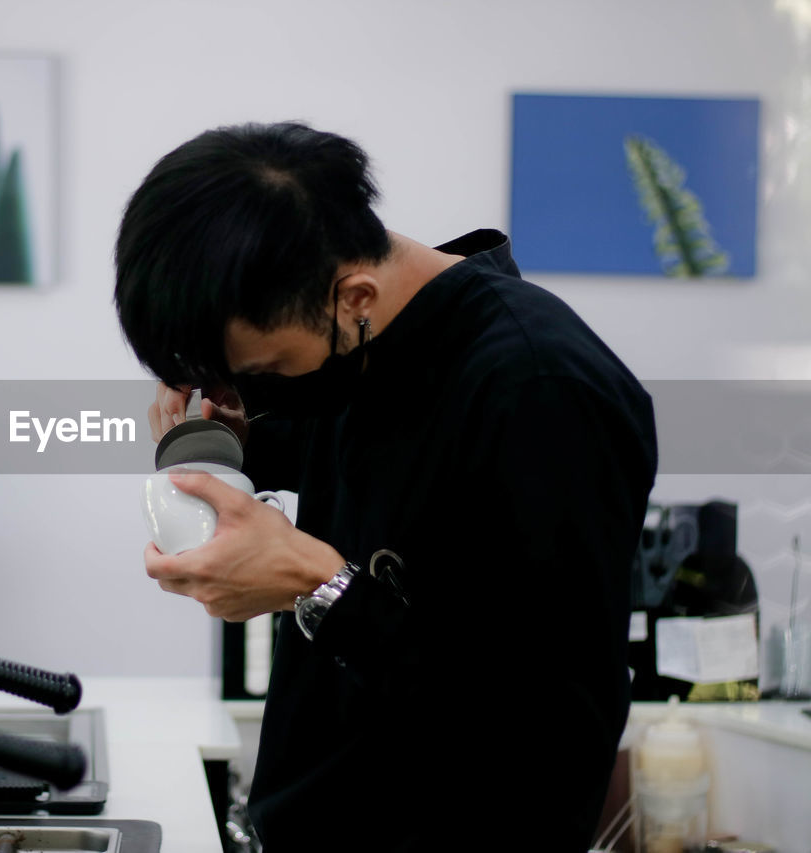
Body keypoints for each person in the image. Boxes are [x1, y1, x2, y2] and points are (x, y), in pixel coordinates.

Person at [113, 122, 658, 850]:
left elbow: (544, 731)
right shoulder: (370, 353)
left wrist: (321, 584)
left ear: (354, 296)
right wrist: (230, 444)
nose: (254, 392)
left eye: (263, 371)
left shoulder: (538, 391)